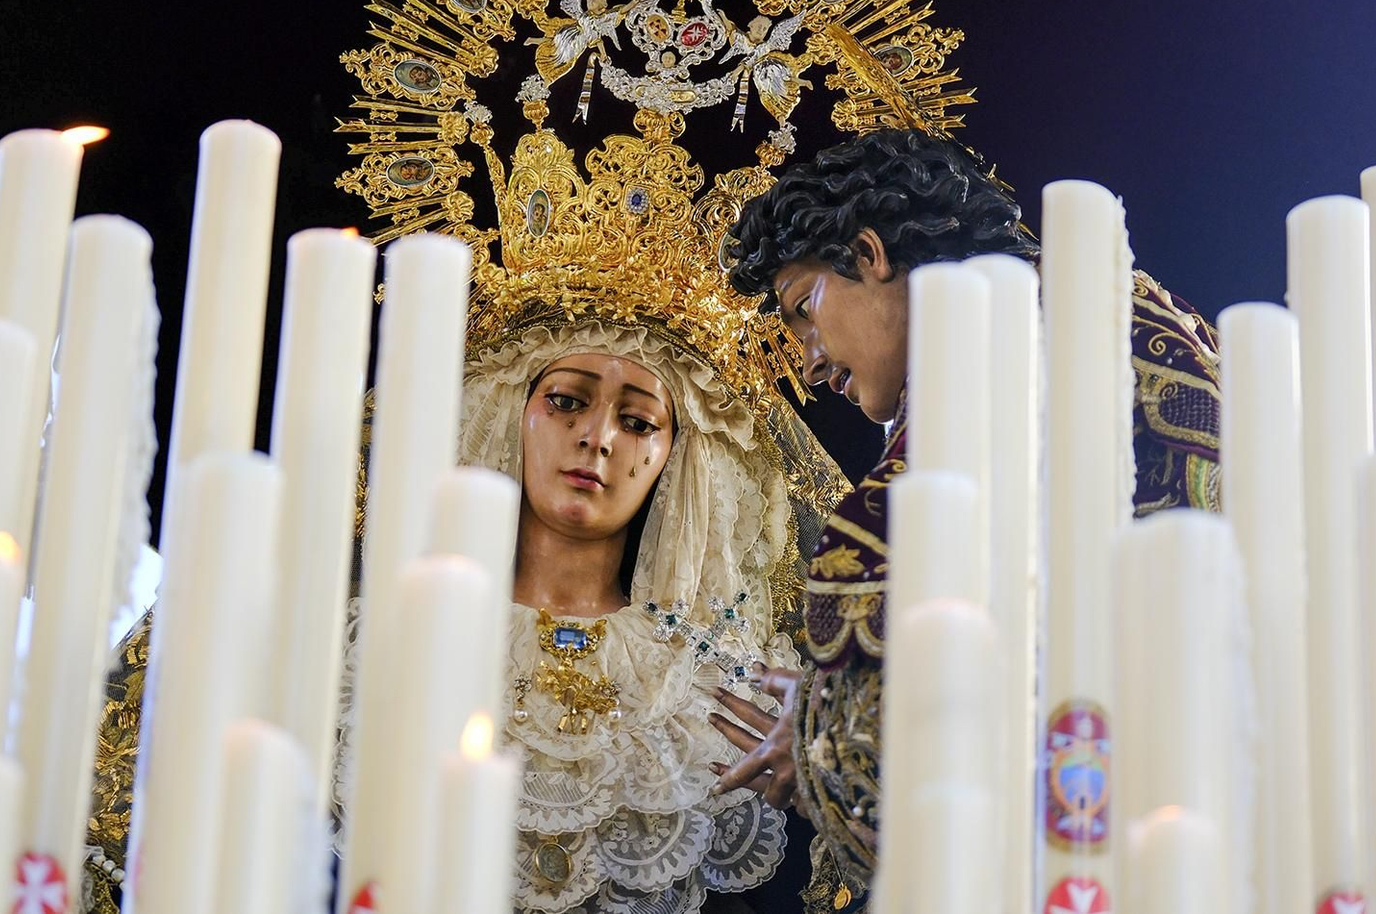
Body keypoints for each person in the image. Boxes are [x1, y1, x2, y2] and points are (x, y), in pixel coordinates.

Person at [85, 322, 848, 914]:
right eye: (569, 400)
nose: (599, 437)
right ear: (509, 415)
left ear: (678, 461)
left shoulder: (723, 690)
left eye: (640, 420)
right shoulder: (370, 647)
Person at [711, 128, 1223, 912]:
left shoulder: (1024, 348)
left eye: (805, 310)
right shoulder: (1069, 321)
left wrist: (820, 733)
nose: (809, 362)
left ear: (870, 254)